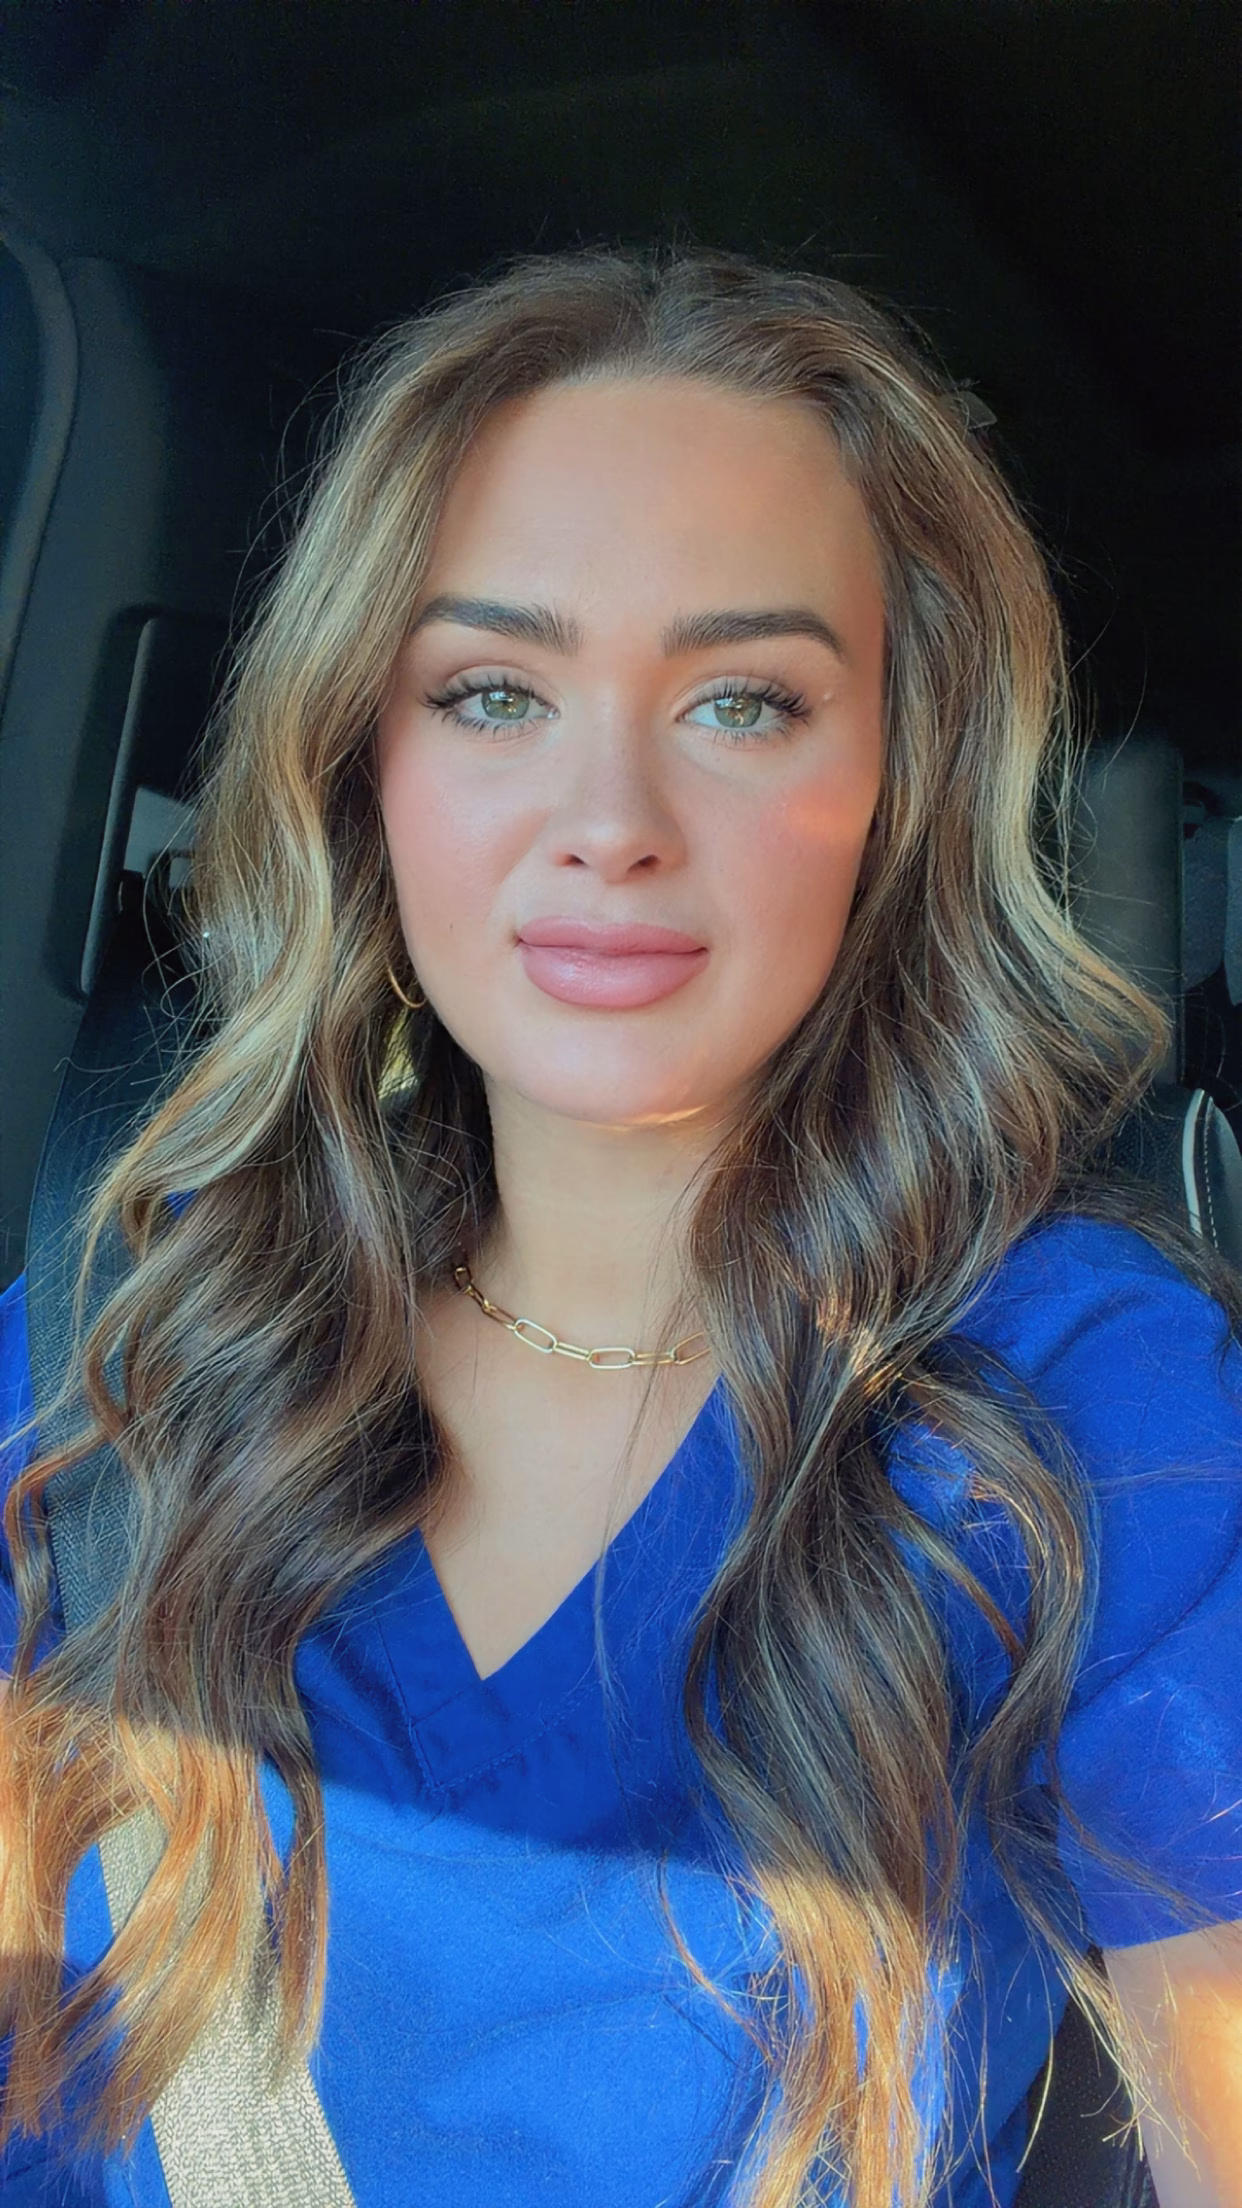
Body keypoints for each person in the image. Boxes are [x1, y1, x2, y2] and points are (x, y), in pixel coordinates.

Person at [0, 246, 1239, 2208]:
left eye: (745, 702)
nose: (610, 818)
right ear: (364, 762)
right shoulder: (116, 1334)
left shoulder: (1082, 1393)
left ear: (899, 777)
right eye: (493, 691)